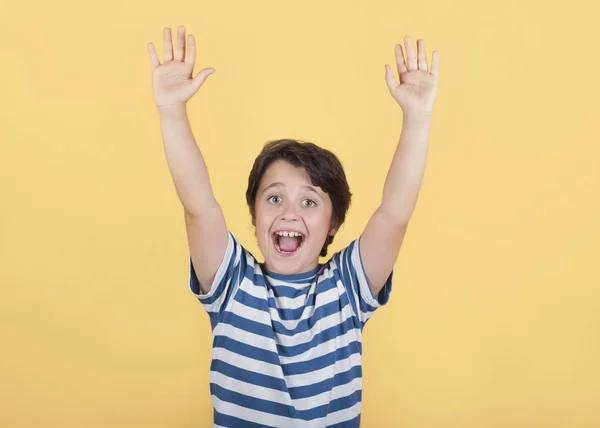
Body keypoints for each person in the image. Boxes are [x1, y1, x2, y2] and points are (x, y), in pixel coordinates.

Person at [147, 25, 439, 428]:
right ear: (253, 213)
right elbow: (199, 206)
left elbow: (394, 213)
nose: (288, 212)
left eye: (309, 201)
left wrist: (418, 119)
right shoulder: (233, 282)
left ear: (334, 223)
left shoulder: (347, 289)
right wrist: (171, 111)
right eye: (273, 197)